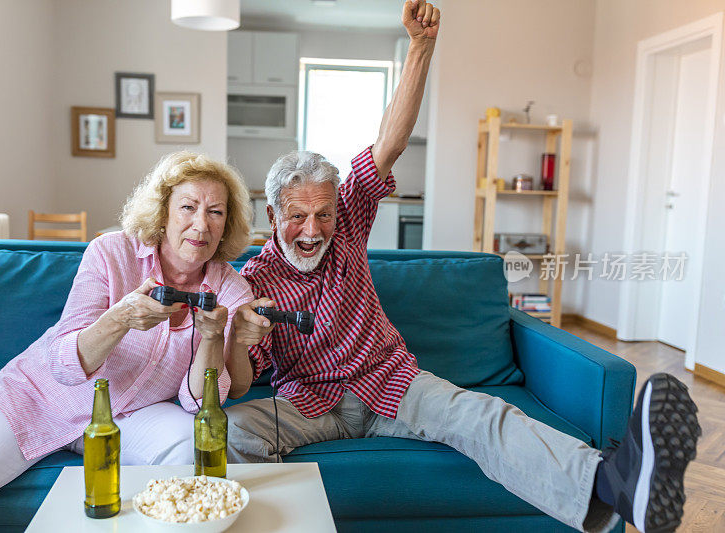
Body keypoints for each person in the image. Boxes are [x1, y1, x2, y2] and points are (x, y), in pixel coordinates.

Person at [225, 2, 702, 533]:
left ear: (340, 211)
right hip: (309, 403)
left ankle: (617, 487)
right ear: (271, 215)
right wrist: (240, 338)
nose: (313, 231)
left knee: (485, 415)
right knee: (234, 429)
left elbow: (390, 143)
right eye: (297, 217)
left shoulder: (350, 225)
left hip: (389, 385)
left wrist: (421, 46)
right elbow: (242, 385)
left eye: (323, 214)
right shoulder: (252, 283)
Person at [0, 151, 259, 531]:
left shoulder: (231, 288)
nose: (201, 224)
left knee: (188, 447)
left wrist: (212, 337)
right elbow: (64, 365)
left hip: (134, 413)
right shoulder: (111, 252)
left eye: (215, 212)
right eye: (188, 207)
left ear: (227, 223)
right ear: (163, 212)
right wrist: (121, 317)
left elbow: (198, 400)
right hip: (39, 397)